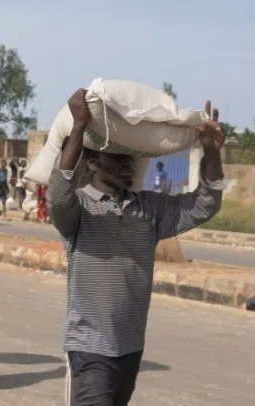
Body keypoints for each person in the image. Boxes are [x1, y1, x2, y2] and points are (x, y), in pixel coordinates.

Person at [48, 90, 225, 406]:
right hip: (90, 349)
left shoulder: (149, 210)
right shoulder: (79, 211)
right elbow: (59, 196)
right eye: (116, 157)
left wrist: (211, 154)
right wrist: (78, 127)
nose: (127, 164)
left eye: (129, 157)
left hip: (131, 347)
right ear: (92, 162)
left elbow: (204, 205)